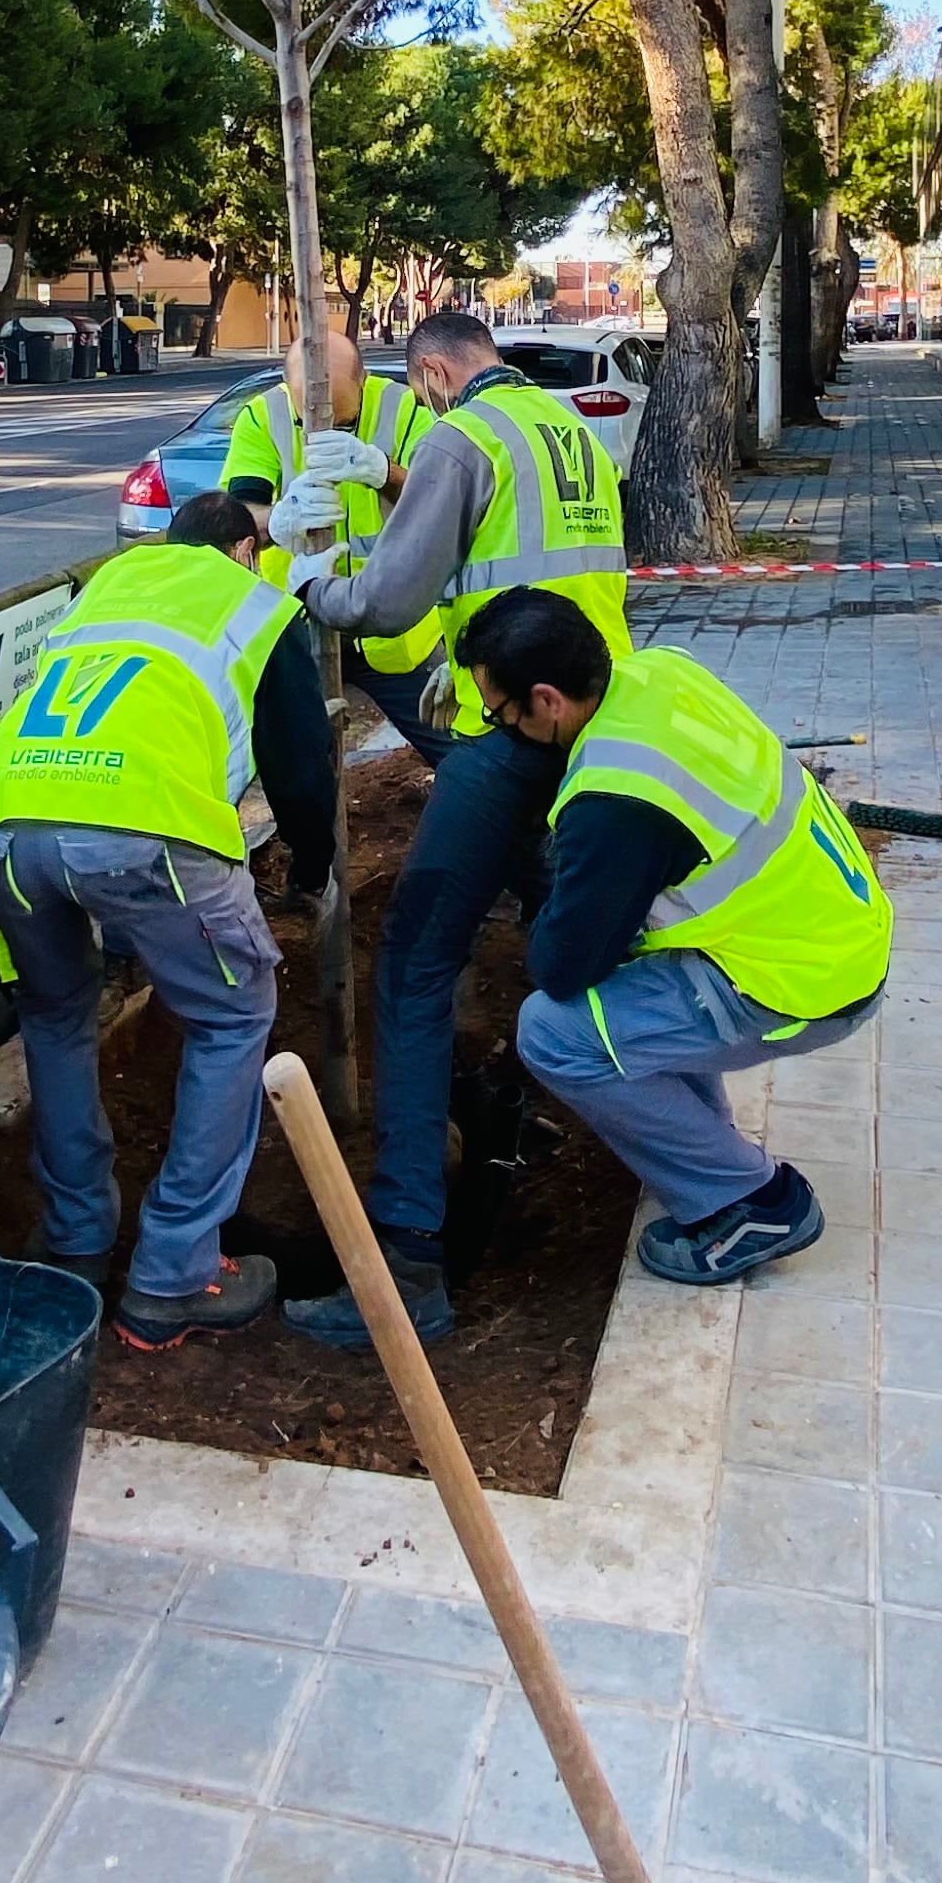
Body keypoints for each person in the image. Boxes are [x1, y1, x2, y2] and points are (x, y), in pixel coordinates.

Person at [280, 306, 630, 1346]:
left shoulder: (457, 437)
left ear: (431, 371)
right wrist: (396, 478)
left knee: (417, 965)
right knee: (564, 923)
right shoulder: (563, 424)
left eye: (419, 389)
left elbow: (388, 601)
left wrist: (317, 584)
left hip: (509, 731)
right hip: (588, 715)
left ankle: (406, 1258)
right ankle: (573, 1108)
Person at [0, 491, 340, 1350]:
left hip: (0, 826)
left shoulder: (110, 584)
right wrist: (312, 867)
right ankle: (175, 1273)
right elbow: (303, 769)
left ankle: (76, 1239)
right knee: (233, 1014)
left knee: (54, 1017)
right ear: (243, 549)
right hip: (142, 833)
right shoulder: (253, 601)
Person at [459, 588, 892, 1281]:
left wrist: (546, 892)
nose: (497, 728)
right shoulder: (660, 670)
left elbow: (563, 966)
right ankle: (706, 1147)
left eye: (500, 714)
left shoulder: (614, 801)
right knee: (632, 987)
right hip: (833, 928)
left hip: (799, 985)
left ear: (547, 700)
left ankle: (755, 1199)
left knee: (555, 1031)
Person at [222, 329, 447, 761]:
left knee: (456, 749)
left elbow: (438, 498)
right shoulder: (262, 416)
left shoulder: (404, 408)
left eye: (344, 420)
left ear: (363, 382)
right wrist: (281, 518)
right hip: (298, 620)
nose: (325, 425)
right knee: (287, 759)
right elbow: (238, 519)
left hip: (387, 621)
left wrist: (382, 471)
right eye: (307, 417)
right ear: (289, 391)